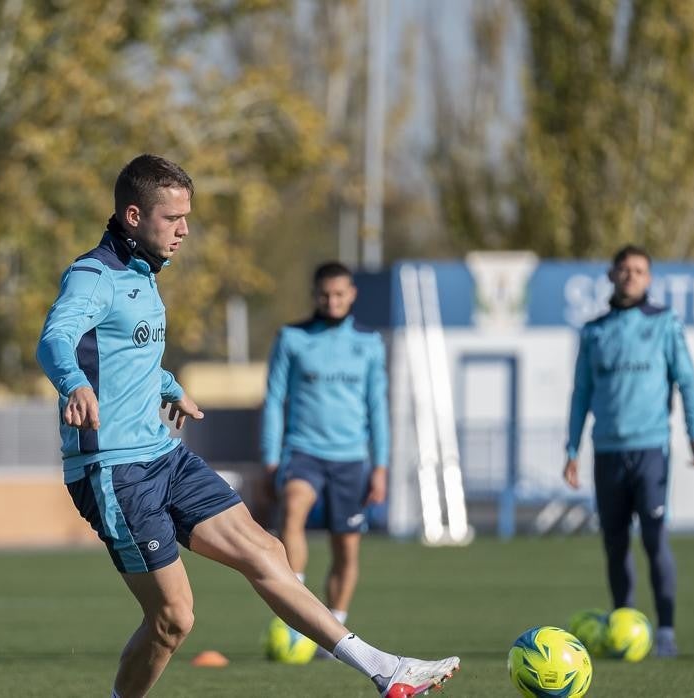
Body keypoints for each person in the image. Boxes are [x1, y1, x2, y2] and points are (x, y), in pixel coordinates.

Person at [36, 154, 458, 698]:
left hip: (164, 455)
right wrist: (72, 383)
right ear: (135, 216)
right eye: (173, 219)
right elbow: (53, 339)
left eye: (188, 217)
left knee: (268, 552)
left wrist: (168, 387)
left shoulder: (144, 276)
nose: (185, 230)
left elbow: (123, 355)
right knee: (173, 620)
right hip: (114, 471)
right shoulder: (93, 276)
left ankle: (384, 670)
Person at [562, 244, 694, 659]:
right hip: (607, 452)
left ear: (649, 278)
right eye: (624, 269)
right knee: (614, 544)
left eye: (639, 270)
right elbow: (581, 395)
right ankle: (624, 625)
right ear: (611, 275)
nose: (630, 276)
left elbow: (687, 380)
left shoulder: (664, 323)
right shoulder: (594, 331)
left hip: (650, 451)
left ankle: (664, 631)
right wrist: (571, 449)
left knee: (654, 539)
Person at [261, 262, 389, 651]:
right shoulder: (292, 338)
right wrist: (271, 458)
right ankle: (297, 602)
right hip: (304, 452)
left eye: (339, 294)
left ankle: (337, 633)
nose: (331, 301)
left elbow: (377, 406)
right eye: (324, 295)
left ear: (351, 295)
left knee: (346, 548)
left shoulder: (369, 343)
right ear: (314, 295)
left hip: (351, 459)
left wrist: (380, 465)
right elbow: (273, 401)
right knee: (294, 507)